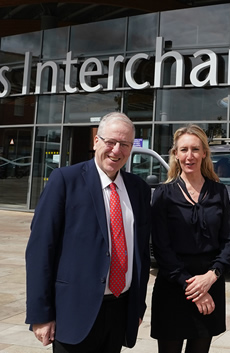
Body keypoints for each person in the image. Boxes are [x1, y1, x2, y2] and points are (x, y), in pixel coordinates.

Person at [25, 112, 151, 352]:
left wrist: (137, 307)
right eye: (110, 142)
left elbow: (141, 255)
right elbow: (40, 250)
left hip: (119, 310)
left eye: (124, 144)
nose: (116, 150)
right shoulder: (65, 180)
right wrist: (40, 314)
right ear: (96, 141)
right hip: (74, 312)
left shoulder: (139, 190)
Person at [150, 125, 230, 353]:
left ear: (204, 153)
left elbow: (229, 241)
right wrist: (193, 288)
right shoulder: (163, 195)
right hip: (173, 285)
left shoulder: (219, 192)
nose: (190, 156)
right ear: (176, 155)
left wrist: (211, 277)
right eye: (184, 150)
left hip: (210, 283)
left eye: (195, 149)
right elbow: (161, 248)